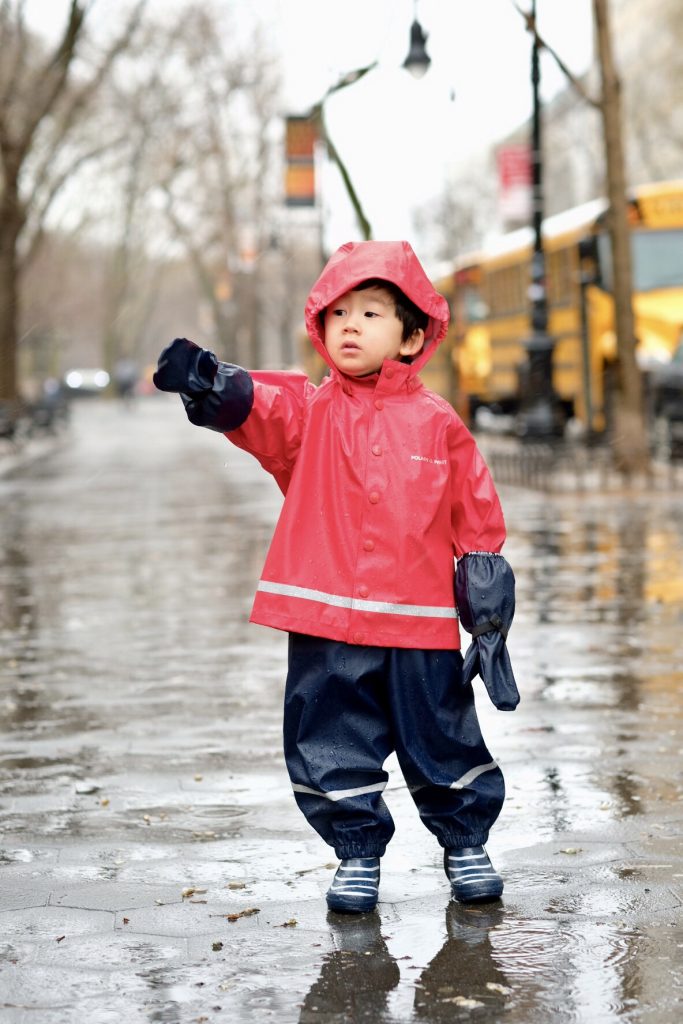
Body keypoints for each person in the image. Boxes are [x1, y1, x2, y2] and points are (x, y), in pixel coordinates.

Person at [153, 240, 519, 914]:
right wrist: (211, 380)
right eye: (337, 312)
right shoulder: (310, 413)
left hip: (418, 620)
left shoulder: (439, 424)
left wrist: (486, 603)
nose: (349, 324)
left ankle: (464, 841)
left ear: (411, 338)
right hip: (327, 619)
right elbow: (261, 406)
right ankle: (355, 853)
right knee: (330, 736)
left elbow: (473, 510)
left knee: (442, 735)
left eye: (371, 313)